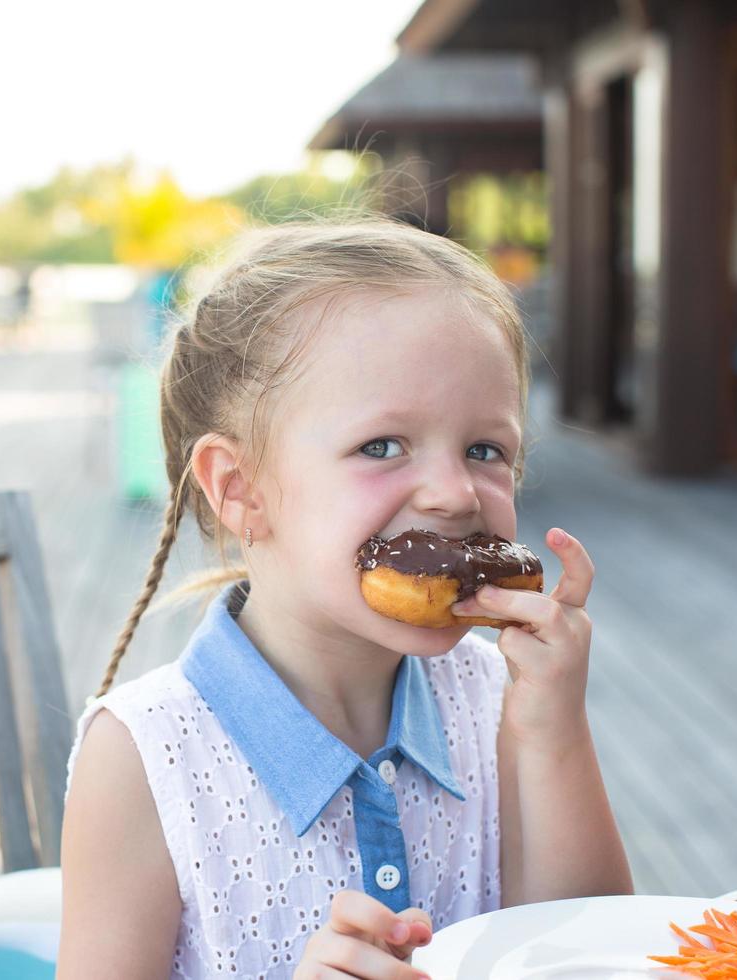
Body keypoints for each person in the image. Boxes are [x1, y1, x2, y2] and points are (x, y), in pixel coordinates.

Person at [58, 218, 633, 979]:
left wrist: (554, 730)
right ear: (241, 490)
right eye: (383, 447)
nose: (457, 493)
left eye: (485, 449)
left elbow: (588, 950)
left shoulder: (496, 696)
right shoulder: (146, 758)